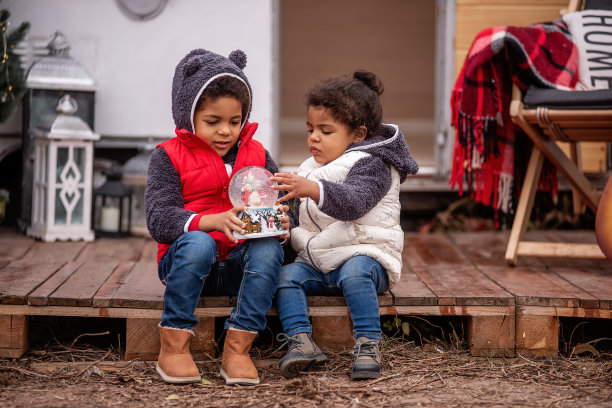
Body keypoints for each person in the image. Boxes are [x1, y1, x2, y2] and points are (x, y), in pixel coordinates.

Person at [145, 48, 290, 385]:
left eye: (234, 122)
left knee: (270, 247)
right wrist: (211, 222)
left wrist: (284, 223)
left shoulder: (258, 154)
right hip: (188, 264)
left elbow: (284, 203)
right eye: (213, 122)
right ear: (188, 114)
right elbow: (159, 218)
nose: (226, 131)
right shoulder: (168, 156)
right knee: (198, 244)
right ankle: (175, 347)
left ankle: (238, 350)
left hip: (243, 267)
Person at [271, 70, 418, 380]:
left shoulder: (374, 163)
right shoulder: (310, 167)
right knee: (286, 275)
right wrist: (285, 226)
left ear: (358, 134)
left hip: (367, 256)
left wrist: (310, 189)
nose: (313, 138)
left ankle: (368, 343)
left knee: (354, 273)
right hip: (321, 259)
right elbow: (305, 218)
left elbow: (353, 203)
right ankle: (300, 341)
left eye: (326, 131)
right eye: (310, 129)